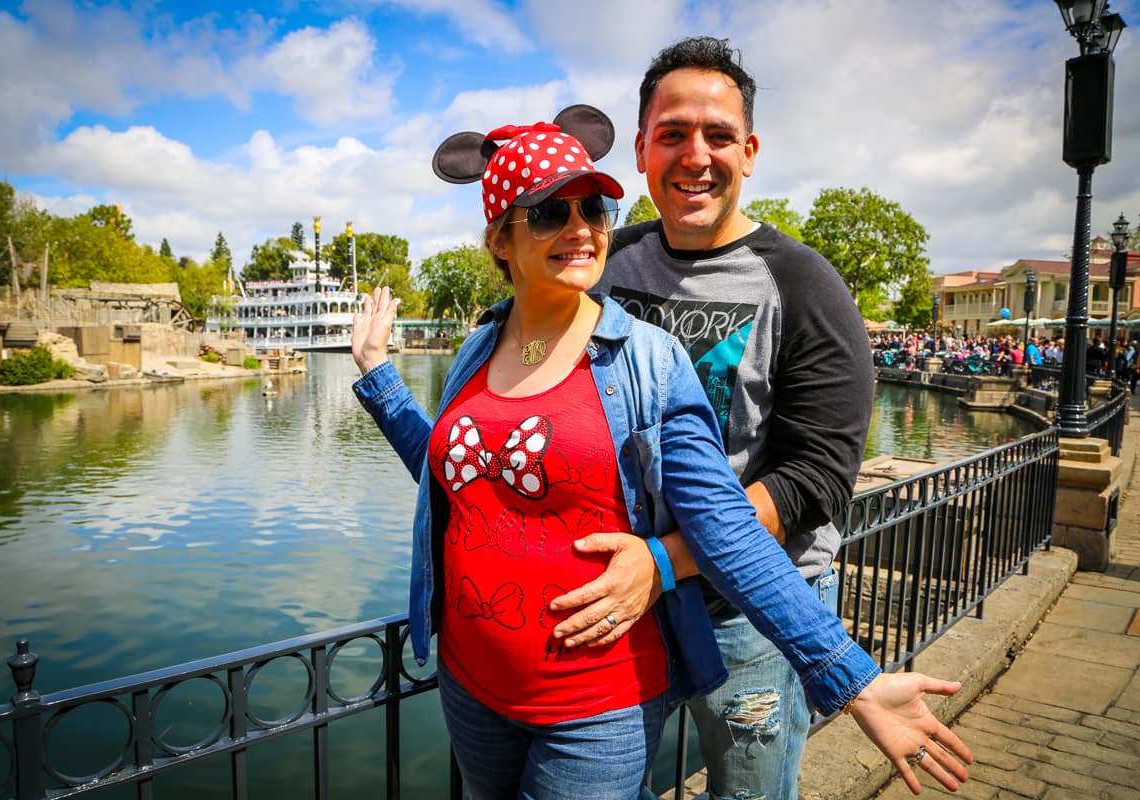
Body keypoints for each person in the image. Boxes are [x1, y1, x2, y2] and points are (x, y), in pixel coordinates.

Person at [351, 106, 972, 799]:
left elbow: (725, 526)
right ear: (500, 238)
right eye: (550, 213)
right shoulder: (476, 350)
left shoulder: (646, 361)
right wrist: (379, 379)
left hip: (591, 705)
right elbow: (454, 483)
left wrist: (852, 678)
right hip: (472, 689)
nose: (582, 228)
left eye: (594, 207)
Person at [539, 36, 945, 800]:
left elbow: (814, 481)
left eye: (718, 136)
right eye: (673, 135)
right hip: (618, 608)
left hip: (752, 613)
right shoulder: (601, 262)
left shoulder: (805, 285)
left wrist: (661, 561)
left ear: (749, 151)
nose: (696, 155)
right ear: (640, 151)